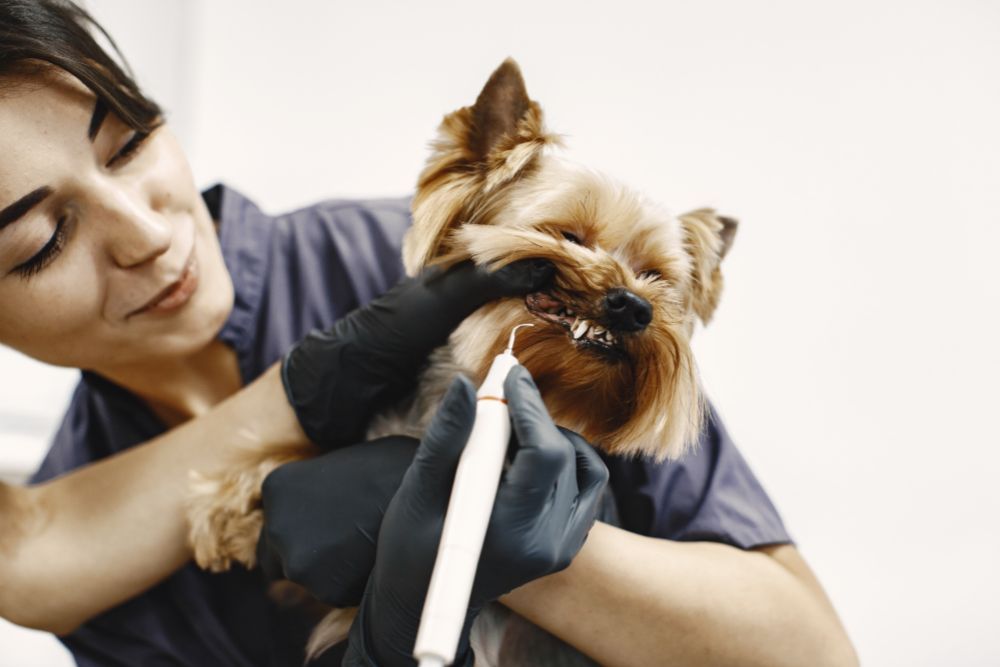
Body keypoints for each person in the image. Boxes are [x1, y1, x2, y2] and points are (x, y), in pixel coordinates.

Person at [0, 1, 859, 665]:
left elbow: (808, 649)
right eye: (42, 241)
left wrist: (502, 543)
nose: (147, 234)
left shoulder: (450, 264)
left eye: (131, 140)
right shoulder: (78, 543)